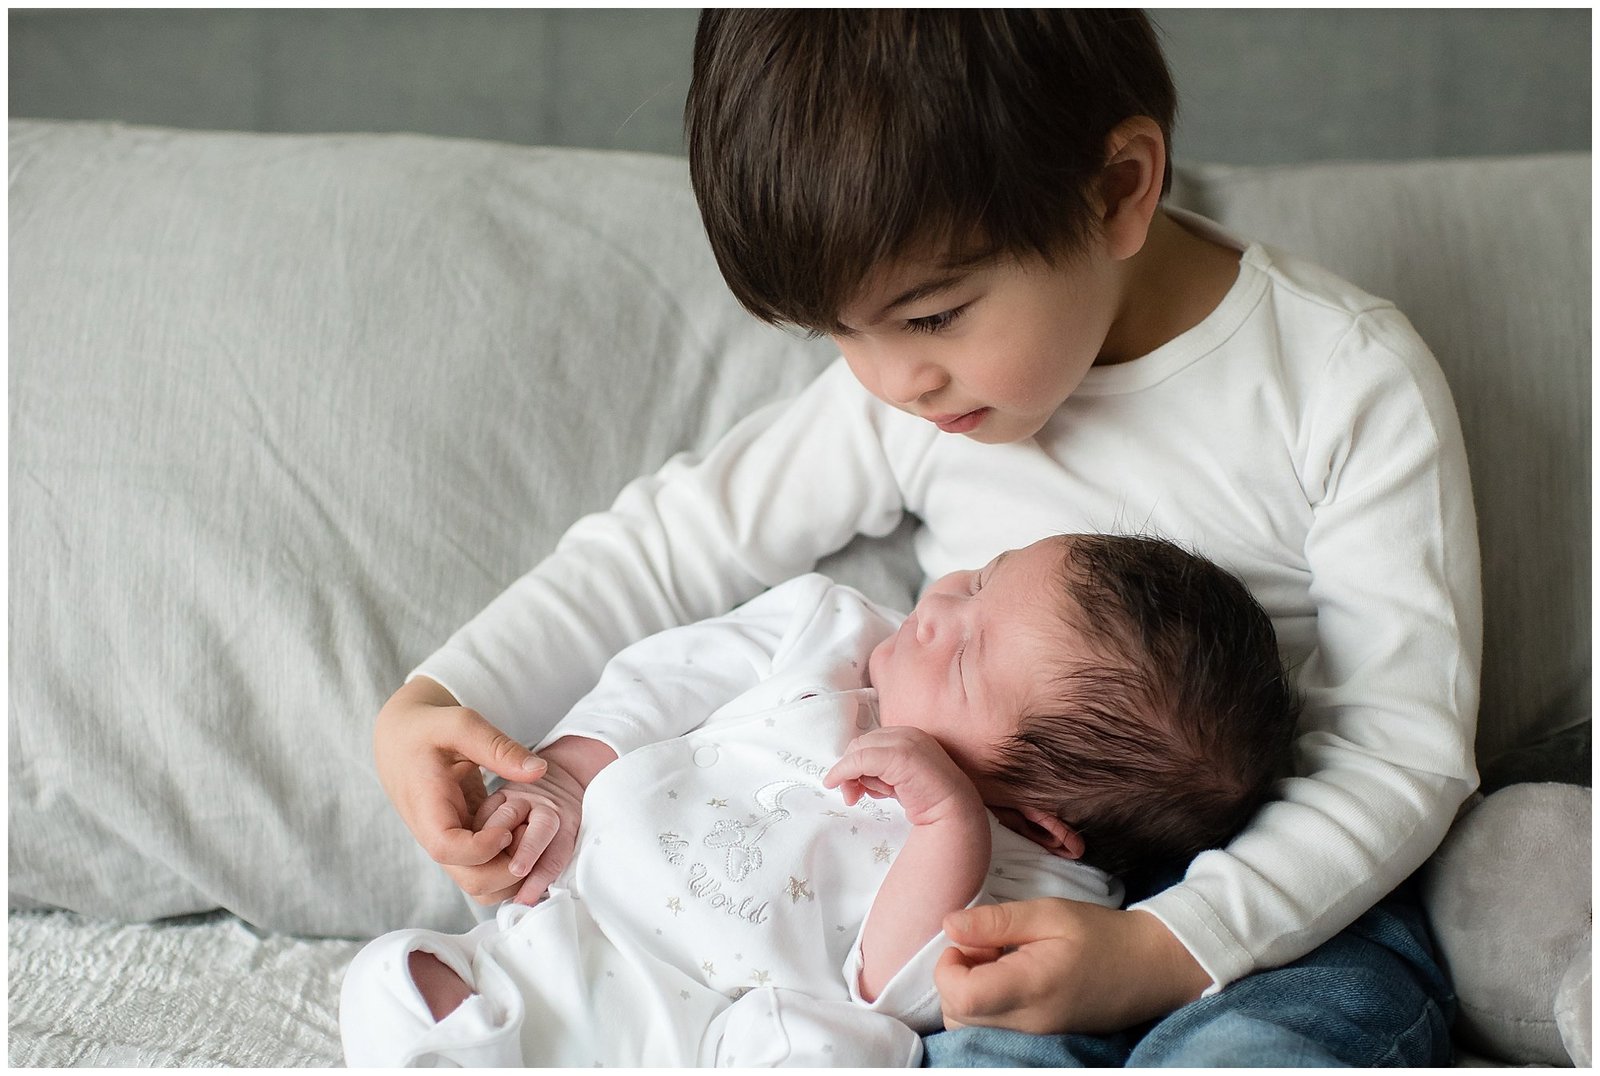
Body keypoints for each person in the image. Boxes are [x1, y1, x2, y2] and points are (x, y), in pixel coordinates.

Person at [373, 10, 1480, 1067]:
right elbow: (672, 543)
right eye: (837, 333)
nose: (889, 379)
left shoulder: (1338, 381)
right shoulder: (908, 397)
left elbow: (1397, 753)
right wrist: (439, 694)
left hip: (1272, 906)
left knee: (1272, 1042)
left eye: (934, 315)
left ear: (1117, 192)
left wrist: (1163, 943)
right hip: (963, 906)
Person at [343, 534, 1298, 1067]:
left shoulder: (1035, 875)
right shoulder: (828, 631)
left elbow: (909, 991)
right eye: (978, 578)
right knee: (393, 982)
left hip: (722, 1038)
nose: (935, 611)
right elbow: (668, 676)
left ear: (1045, 821)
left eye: (962, 657)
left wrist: (947, 828)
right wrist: (567, 770)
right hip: (576, 940)